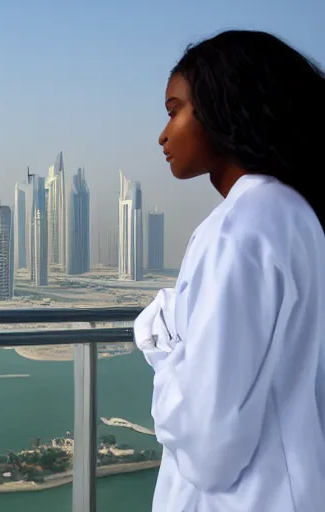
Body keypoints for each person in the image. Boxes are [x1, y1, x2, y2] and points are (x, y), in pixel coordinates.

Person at [142, 29, 325, 511]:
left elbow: (207, 445)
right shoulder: (297, 215)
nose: (163, 134)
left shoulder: (238, 230)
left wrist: (161, 341)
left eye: (174, 110)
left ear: (222, 105)